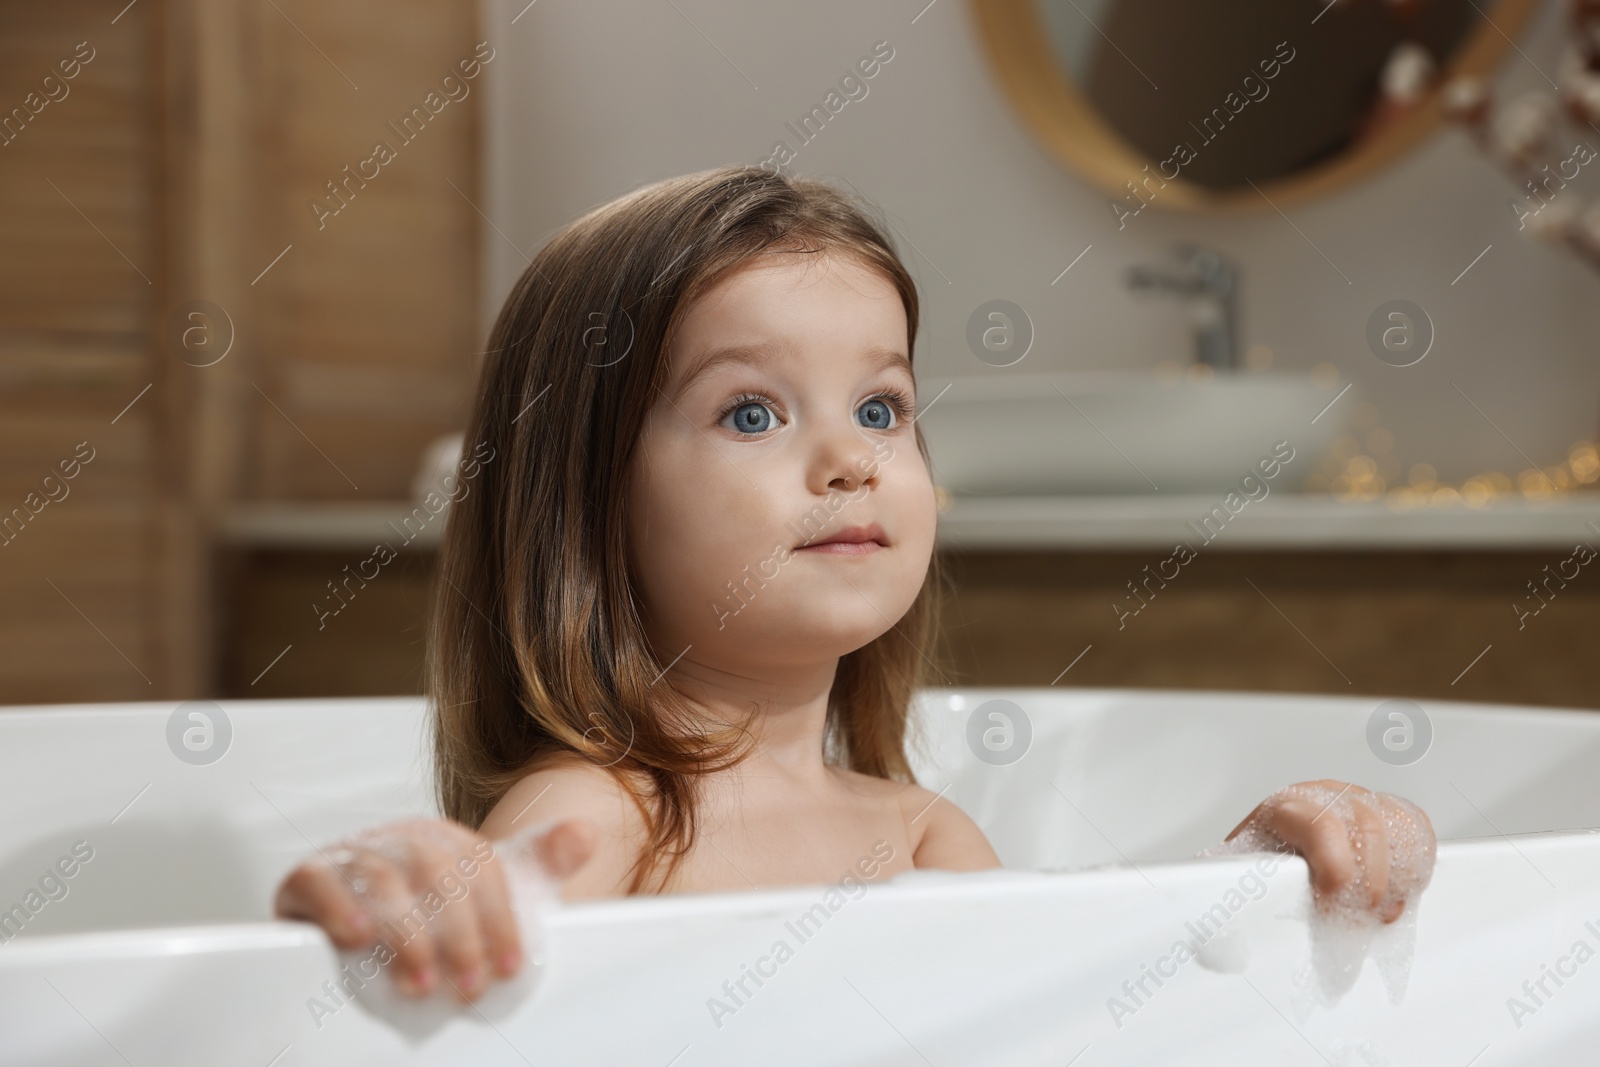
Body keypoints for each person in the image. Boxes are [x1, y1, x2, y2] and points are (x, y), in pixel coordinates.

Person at [274, 165, 1435, 1003]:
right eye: (750, 411)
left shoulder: (926, 832)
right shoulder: (606, 815)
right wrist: (396, 896)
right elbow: (430, 979)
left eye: (881, 407)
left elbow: (1065, 1007)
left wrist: (1269, 870)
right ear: (587, 501)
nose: (851, 457)